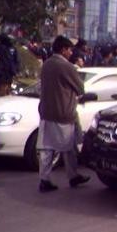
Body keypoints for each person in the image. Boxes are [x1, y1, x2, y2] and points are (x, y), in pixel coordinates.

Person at [37, 35, 89, 193]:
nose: (71, 52)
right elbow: (81, 88)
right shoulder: (66, 67)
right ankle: (72, 176)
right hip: (63, 113)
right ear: (63, 49)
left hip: (46, 112)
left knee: (47, 149)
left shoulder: (46, 64)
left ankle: (44, 179)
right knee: (68, 147)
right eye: (69, 49)